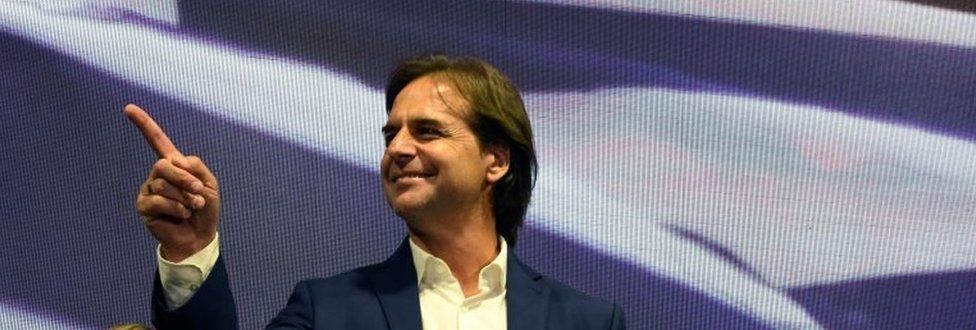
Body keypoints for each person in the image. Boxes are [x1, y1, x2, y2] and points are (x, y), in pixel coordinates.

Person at [126, 54, 626, 329]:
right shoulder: (328, 311)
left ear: (495, 160)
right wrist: (189, 247)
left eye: (427, 131)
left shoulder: (587, 321)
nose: (398, 149)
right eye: (392, 135)